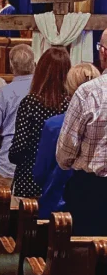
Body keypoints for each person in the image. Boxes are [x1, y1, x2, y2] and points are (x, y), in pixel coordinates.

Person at [56, 30, 107, 236]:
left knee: (87, 259)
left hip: (92, 192)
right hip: (91, 190)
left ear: (103, 53)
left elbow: (64, 153)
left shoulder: (89, 92)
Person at [34, 63, 100, 219]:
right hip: (96, 201)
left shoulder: (54, 126)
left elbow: (39, 172)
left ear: (69, 90)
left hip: (58, 203)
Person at [8, 47, 70, 207]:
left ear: (40, 70)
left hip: (28, 181)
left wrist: (12, 157)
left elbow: (19, 146)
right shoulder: (70, 104)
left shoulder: (30, 103)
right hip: (59, 183)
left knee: (23, 229)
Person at [0, 44, 35, 189]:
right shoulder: (43, 91)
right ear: (34, 64)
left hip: (7, 165)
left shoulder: (2, 94)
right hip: (37, 167)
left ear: (11, 66)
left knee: (2, 211)